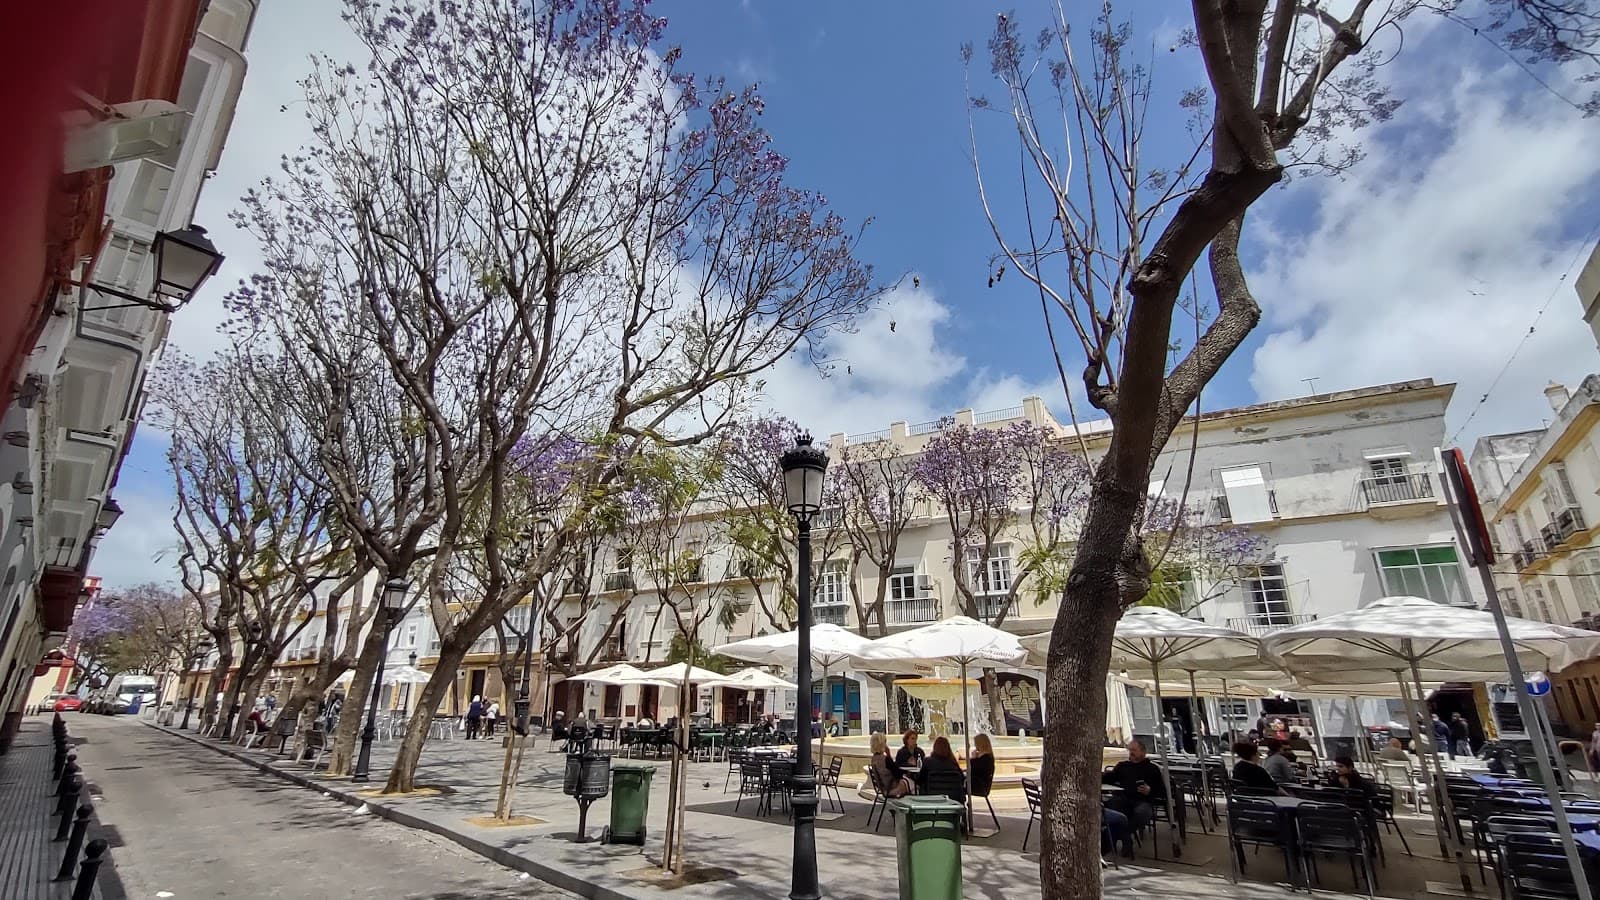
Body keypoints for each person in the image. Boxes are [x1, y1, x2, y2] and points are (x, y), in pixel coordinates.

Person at [1102, 739, 1166, 850]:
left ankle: (1123, 834)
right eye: (1130, 750)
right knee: (1109, 807)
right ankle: (1120, 837)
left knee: (1142, 813)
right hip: (1124, 798)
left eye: (1134, 750)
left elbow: (1161, 790)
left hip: (1143, 800)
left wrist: (1149, 790)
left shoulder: (1152, 769)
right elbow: (1109, 778)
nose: (1131, 752)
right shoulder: (1123, 766)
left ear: (1143, 752)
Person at [917, 736, 966, 802]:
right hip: (953, 798)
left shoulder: (927, 761)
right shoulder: (953, 763)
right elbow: (962, 779)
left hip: (932, 797)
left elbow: (920, 780)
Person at [869, 732, 913, 798]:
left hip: (884, 788)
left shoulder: (874, 759)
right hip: (893, 788)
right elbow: (898, 774)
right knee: (914, 783)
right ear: (882, 744)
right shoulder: (886, 759)